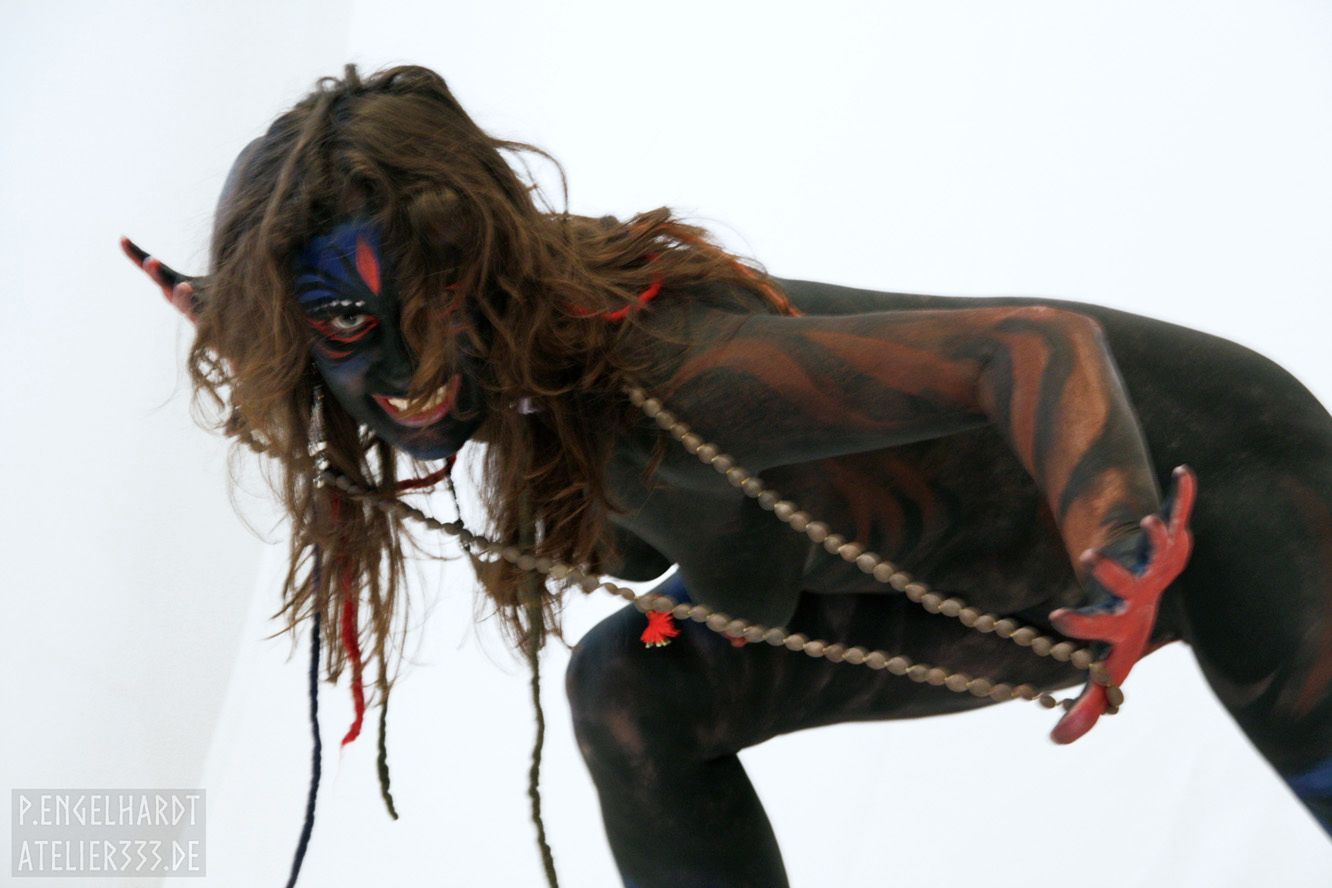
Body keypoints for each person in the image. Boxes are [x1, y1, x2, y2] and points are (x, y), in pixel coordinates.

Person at [124, 64, 1332, 887]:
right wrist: (258, 321)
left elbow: (1029, 348)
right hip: (1005, 581)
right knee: (630, 682)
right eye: (341, 324)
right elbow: (725, 571)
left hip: (1208, 495)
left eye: (431, 300)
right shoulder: (536, 395)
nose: (405, 366)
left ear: (479, 266)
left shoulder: (668, 374)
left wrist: (1115, 536)